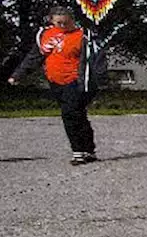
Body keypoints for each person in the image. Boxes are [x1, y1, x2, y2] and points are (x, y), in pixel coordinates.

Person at [7, 11, 101, 165]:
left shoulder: (83, 36)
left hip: (75, 81)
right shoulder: (45, 35)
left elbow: (96, 60)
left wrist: (95, 83)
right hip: (55, 82)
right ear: (52, 22)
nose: (63, 26)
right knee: (78, 115)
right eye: (59, 23)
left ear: (73, 20)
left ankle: (78, 152)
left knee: (69, 114)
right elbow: (34, 57)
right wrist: (18, 75)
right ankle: (88, 150)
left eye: (66, 22)